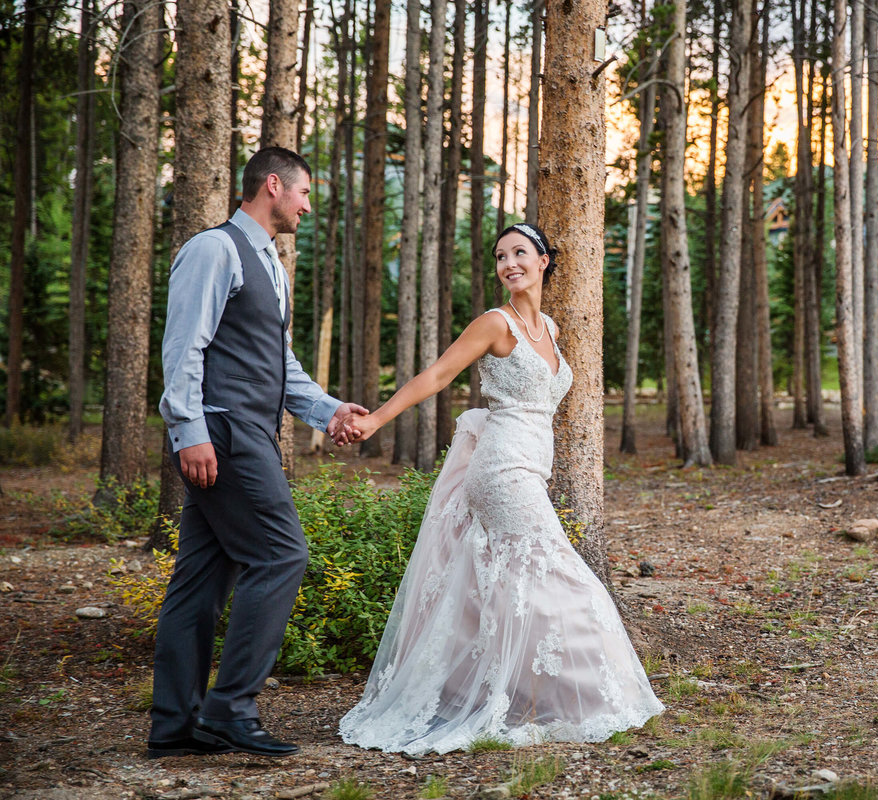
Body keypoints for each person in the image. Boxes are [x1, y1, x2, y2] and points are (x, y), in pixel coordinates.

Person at [338, 223, 664, 754]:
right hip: (501, 469)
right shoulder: (496, 323)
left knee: (507, 584)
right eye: (500, 256)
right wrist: (375, 420)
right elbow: (437, 376)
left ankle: (507, 690)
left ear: (543, 262)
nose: (509, 263)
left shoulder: (551, 330)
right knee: (561, 574)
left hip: (531, 468)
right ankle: (592, 694)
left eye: (519, 253)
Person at [150, 147, 367, 759]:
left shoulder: (270, 262)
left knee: (201, 578)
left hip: (246, 430)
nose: (306, 205)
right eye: (303, 193)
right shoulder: (214, 249)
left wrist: (329, 411)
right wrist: (187, 429)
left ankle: (175, 724)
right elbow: (182, 345)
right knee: (281, 556)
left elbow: (279, 365)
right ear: (273, 185)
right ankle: (229, 709)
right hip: (223, 431)